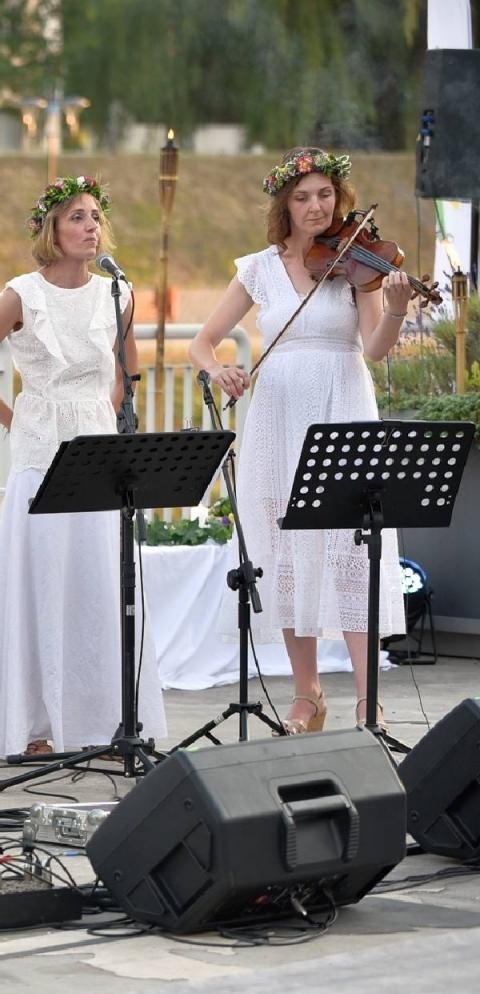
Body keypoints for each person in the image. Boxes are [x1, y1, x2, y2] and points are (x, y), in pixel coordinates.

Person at [190, 148, 409, 733]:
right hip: (278, 413)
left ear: (340, 199)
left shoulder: (357, 265)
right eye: (303, 197)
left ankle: (369, 700)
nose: (316, 207)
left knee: (351, 551)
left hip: (343, 402)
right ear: (283, 204)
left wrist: (395, 309)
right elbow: (203, 342)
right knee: (286, 550)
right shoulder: (259, 267)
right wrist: (220, 370)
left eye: (325, 195)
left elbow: (374, 348)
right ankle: (307, 696)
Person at [0, 176, 167, 759]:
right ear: (51, 229)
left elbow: (126, 374)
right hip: (41, 451)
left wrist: (106, 417)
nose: (90, 226)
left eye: (95, 215)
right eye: (76, 216)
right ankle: (36, 725)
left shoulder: (116, 293)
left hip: (97, 452)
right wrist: (15, 419)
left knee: (97, 585)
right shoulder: (22, 293)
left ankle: (100, 721)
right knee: (43, 583)